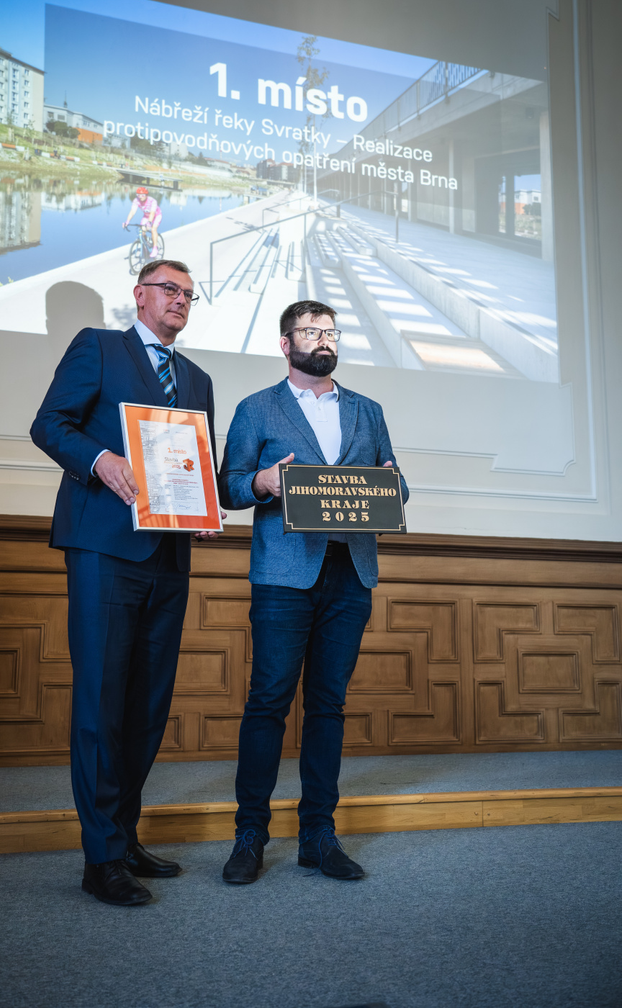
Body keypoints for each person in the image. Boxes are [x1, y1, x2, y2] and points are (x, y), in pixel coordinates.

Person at [31, 259, 222, 907]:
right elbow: (49, 424)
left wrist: (205, 507)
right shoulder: (98, 346)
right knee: (102, 702)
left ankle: (124, 834)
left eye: (189, 294)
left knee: (146, 705)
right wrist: (100, 459)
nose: (180, 301)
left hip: (170, 554)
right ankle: (102, 858)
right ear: (140, 295)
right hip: (104, 547)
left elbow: (194, 464)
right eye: (170, 290)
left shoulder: (198, 379)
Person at [218, 300, 408, 885]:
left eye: (330, 332)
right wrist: (262, 481)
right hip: (283, 577)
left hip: (351, 573)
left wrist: (393, 486)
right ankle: (250, 835)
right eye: (310, 332)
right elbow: (228, 487)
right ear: (286, 343)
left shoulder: (368, 410)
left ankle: (318, 835)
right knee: (269, 702)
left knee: (328, 706)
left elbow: (395, 482)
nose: (323, 340)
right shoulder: (257, 408)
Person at [123, 186, 162, 257]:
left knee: (153, 229)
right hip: (146, 216)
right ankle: (147, 244)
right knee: (142, 231)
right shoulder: (136, 200)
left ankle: (155, 248)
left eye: (143, 195)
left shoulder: (152, 201)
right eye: (138, 195)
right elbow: (132, 211)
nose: (140, 197)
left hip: (156, 216)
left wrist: (149, 223)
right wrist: (127, 221)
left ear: (146, 195)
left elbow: (152, 213)